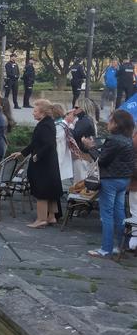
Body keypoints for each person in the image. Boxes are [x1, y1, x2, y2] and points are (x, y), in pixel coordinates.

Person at [81, 110, 134, 258]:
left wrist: (90, 147)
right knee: (119, 213)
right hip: (124, 179)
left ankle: (106, 249)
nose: (108, 123)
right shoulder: (128, 138)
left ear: (116, 124)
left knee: (107, 215)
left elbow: (101, 161)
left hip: (110, 180)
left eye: (110, 121)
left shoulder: (114, 140)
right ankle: (120, 246)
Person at [12, 99, 62, 228]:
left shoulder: (45, 125)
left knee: (42, 192)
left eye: (35, 111)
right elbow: (35, 143)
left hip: (43, 163)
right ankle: (51, 217)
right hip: (49, 162)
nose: (33, 113)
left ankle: (41, 219)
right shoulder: (47, 123)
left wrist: (37, 156)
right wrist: (23, 153)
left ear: (43, 112)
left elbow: (48, 143)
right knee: (50, 191)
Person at [70, 106, 95, 182]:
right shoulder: (87, 119)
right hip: (85, 154)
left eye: (76, 107)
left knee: (79, 180)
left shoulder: (84, 121)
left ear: (82, 108)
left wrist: (68, 127)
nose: (74, 109)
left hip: (81, 155)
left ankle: (79, 193)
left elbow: (75, 134)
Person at [52, 104, 73, 181]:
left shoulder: (59, 125)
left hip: (58, 153)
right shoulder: (62, 123)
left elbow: (55, 139)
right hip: (60, 152)